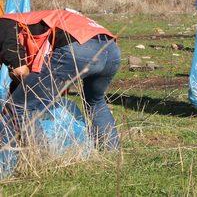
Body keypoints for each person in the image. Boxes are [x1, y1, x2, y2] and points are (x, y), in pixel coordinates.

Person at [0, 8, 121, 150]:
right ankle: (111, 151)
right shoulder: (27, 22)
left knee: (18, 106)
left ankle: (38, 158)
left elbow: (21, 72)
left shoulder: (3, 23)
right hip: (112, 50)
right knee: (95, 102)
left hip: (80, 48)